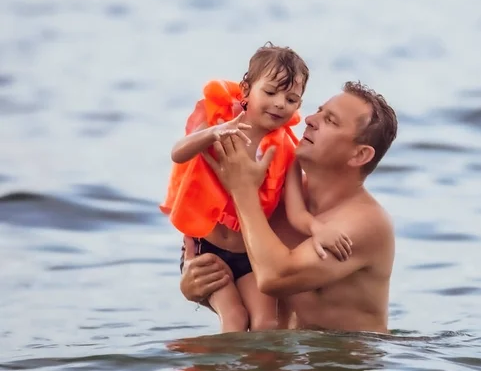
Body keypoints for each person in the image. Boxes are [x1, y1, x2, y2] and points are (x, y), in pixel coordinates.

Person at [160, 42, 352, 333]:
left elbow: (296, 210)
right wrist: (213, 133)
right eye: (271, 92)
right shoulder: (219, 123)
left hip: (249, 256)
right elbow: (178, 153)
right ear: (246, 90)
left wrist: (318, 228)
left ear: (298, 106)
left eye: (291, 99)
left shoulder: (286, 151)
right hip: (206, 250)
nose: (279, 104)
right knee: (235, 318)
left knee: (267, 323)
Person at [180, 81, 399, 334]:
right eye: (318, 110)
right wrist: (194, 285)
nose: (310, 120)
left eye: (331, 120)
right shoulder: (277, 198)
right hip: (285, 362)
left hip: (342, 364)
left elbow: (274, 278)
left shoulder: (367, 224)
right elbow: (231, 260)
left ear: (359, 155)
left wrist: (242, 189)